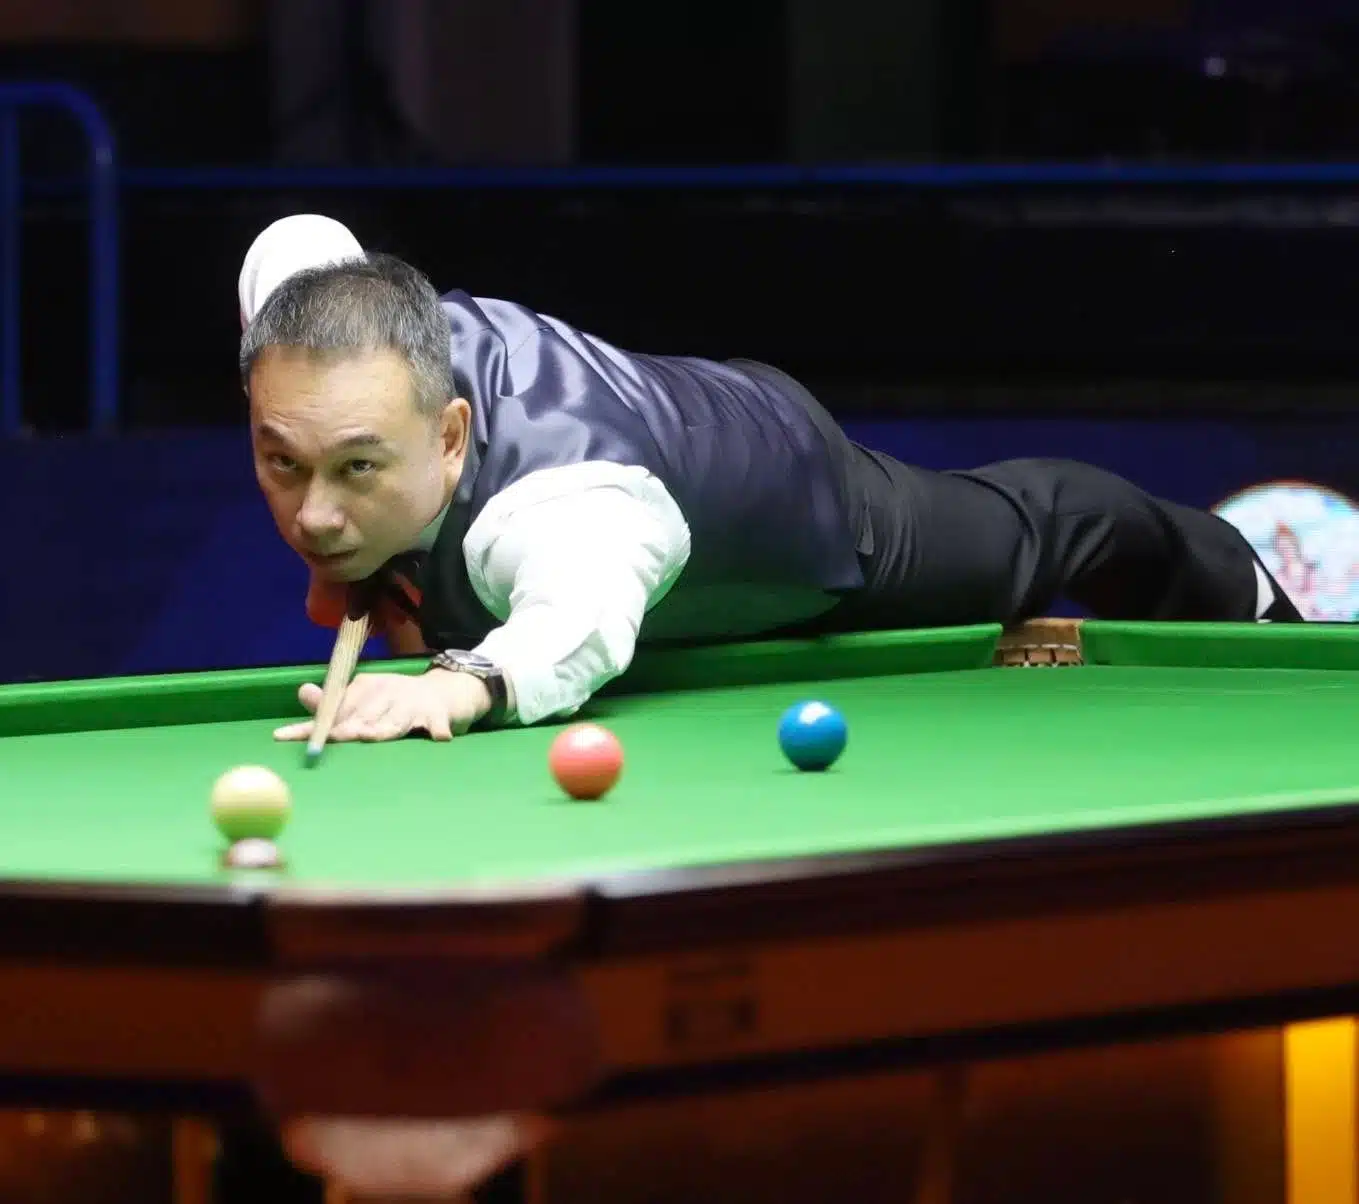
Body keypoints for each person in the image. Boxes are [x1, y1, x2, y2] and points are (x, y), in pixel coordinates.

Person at [237, 214, 1300, 746]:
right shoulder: (322, 326)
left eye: (358, 467)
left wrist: (457, 685)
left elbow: (578, 619)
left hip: (783, 480)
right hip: (651, 433)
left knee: (1032, 531)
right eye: (283, 462)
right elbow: (298, 243)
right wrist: (375, 538)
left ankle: (1241, 588)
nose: (314, 512)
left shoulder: (565, 507)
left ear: (451, 436)